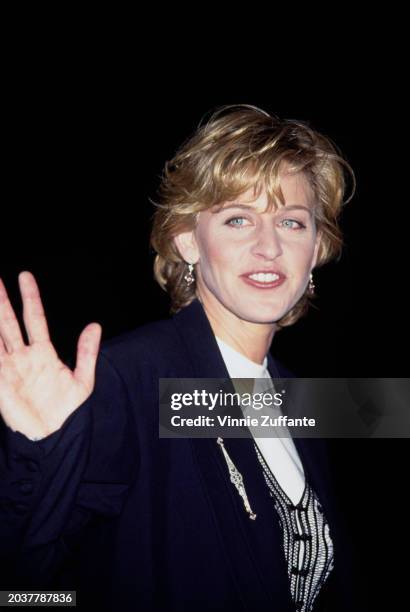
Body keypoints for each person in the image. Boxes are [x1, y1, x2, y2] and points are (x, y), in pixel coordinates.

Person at [0, 104, 359, 611]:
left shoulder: (304, 402)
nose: (269, 246)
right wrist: (39, 453)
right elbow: (25, 589)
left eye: (292, 223)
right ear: (188, 240)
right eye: (238, 218)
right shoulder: (129, 378)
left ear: (317, 246)